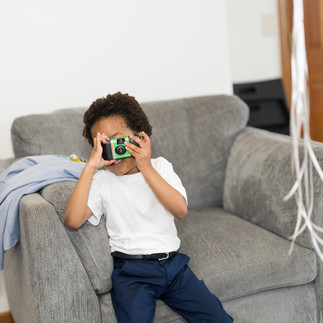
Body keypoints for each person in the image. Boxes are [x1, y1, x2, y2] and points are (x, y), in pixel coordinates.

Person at [64, 92, 233, 323]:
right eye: (103, 145)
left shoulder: (160, 167)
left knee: (217, 317)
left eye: (117, 140)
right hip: (132, 273)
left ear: (139, 136)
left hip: (173, 267)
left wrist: (146, 168)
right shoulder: (103, 181)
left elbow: (180, 211)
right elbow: (73, 220)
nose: (112, 151)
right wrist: (90, 168)